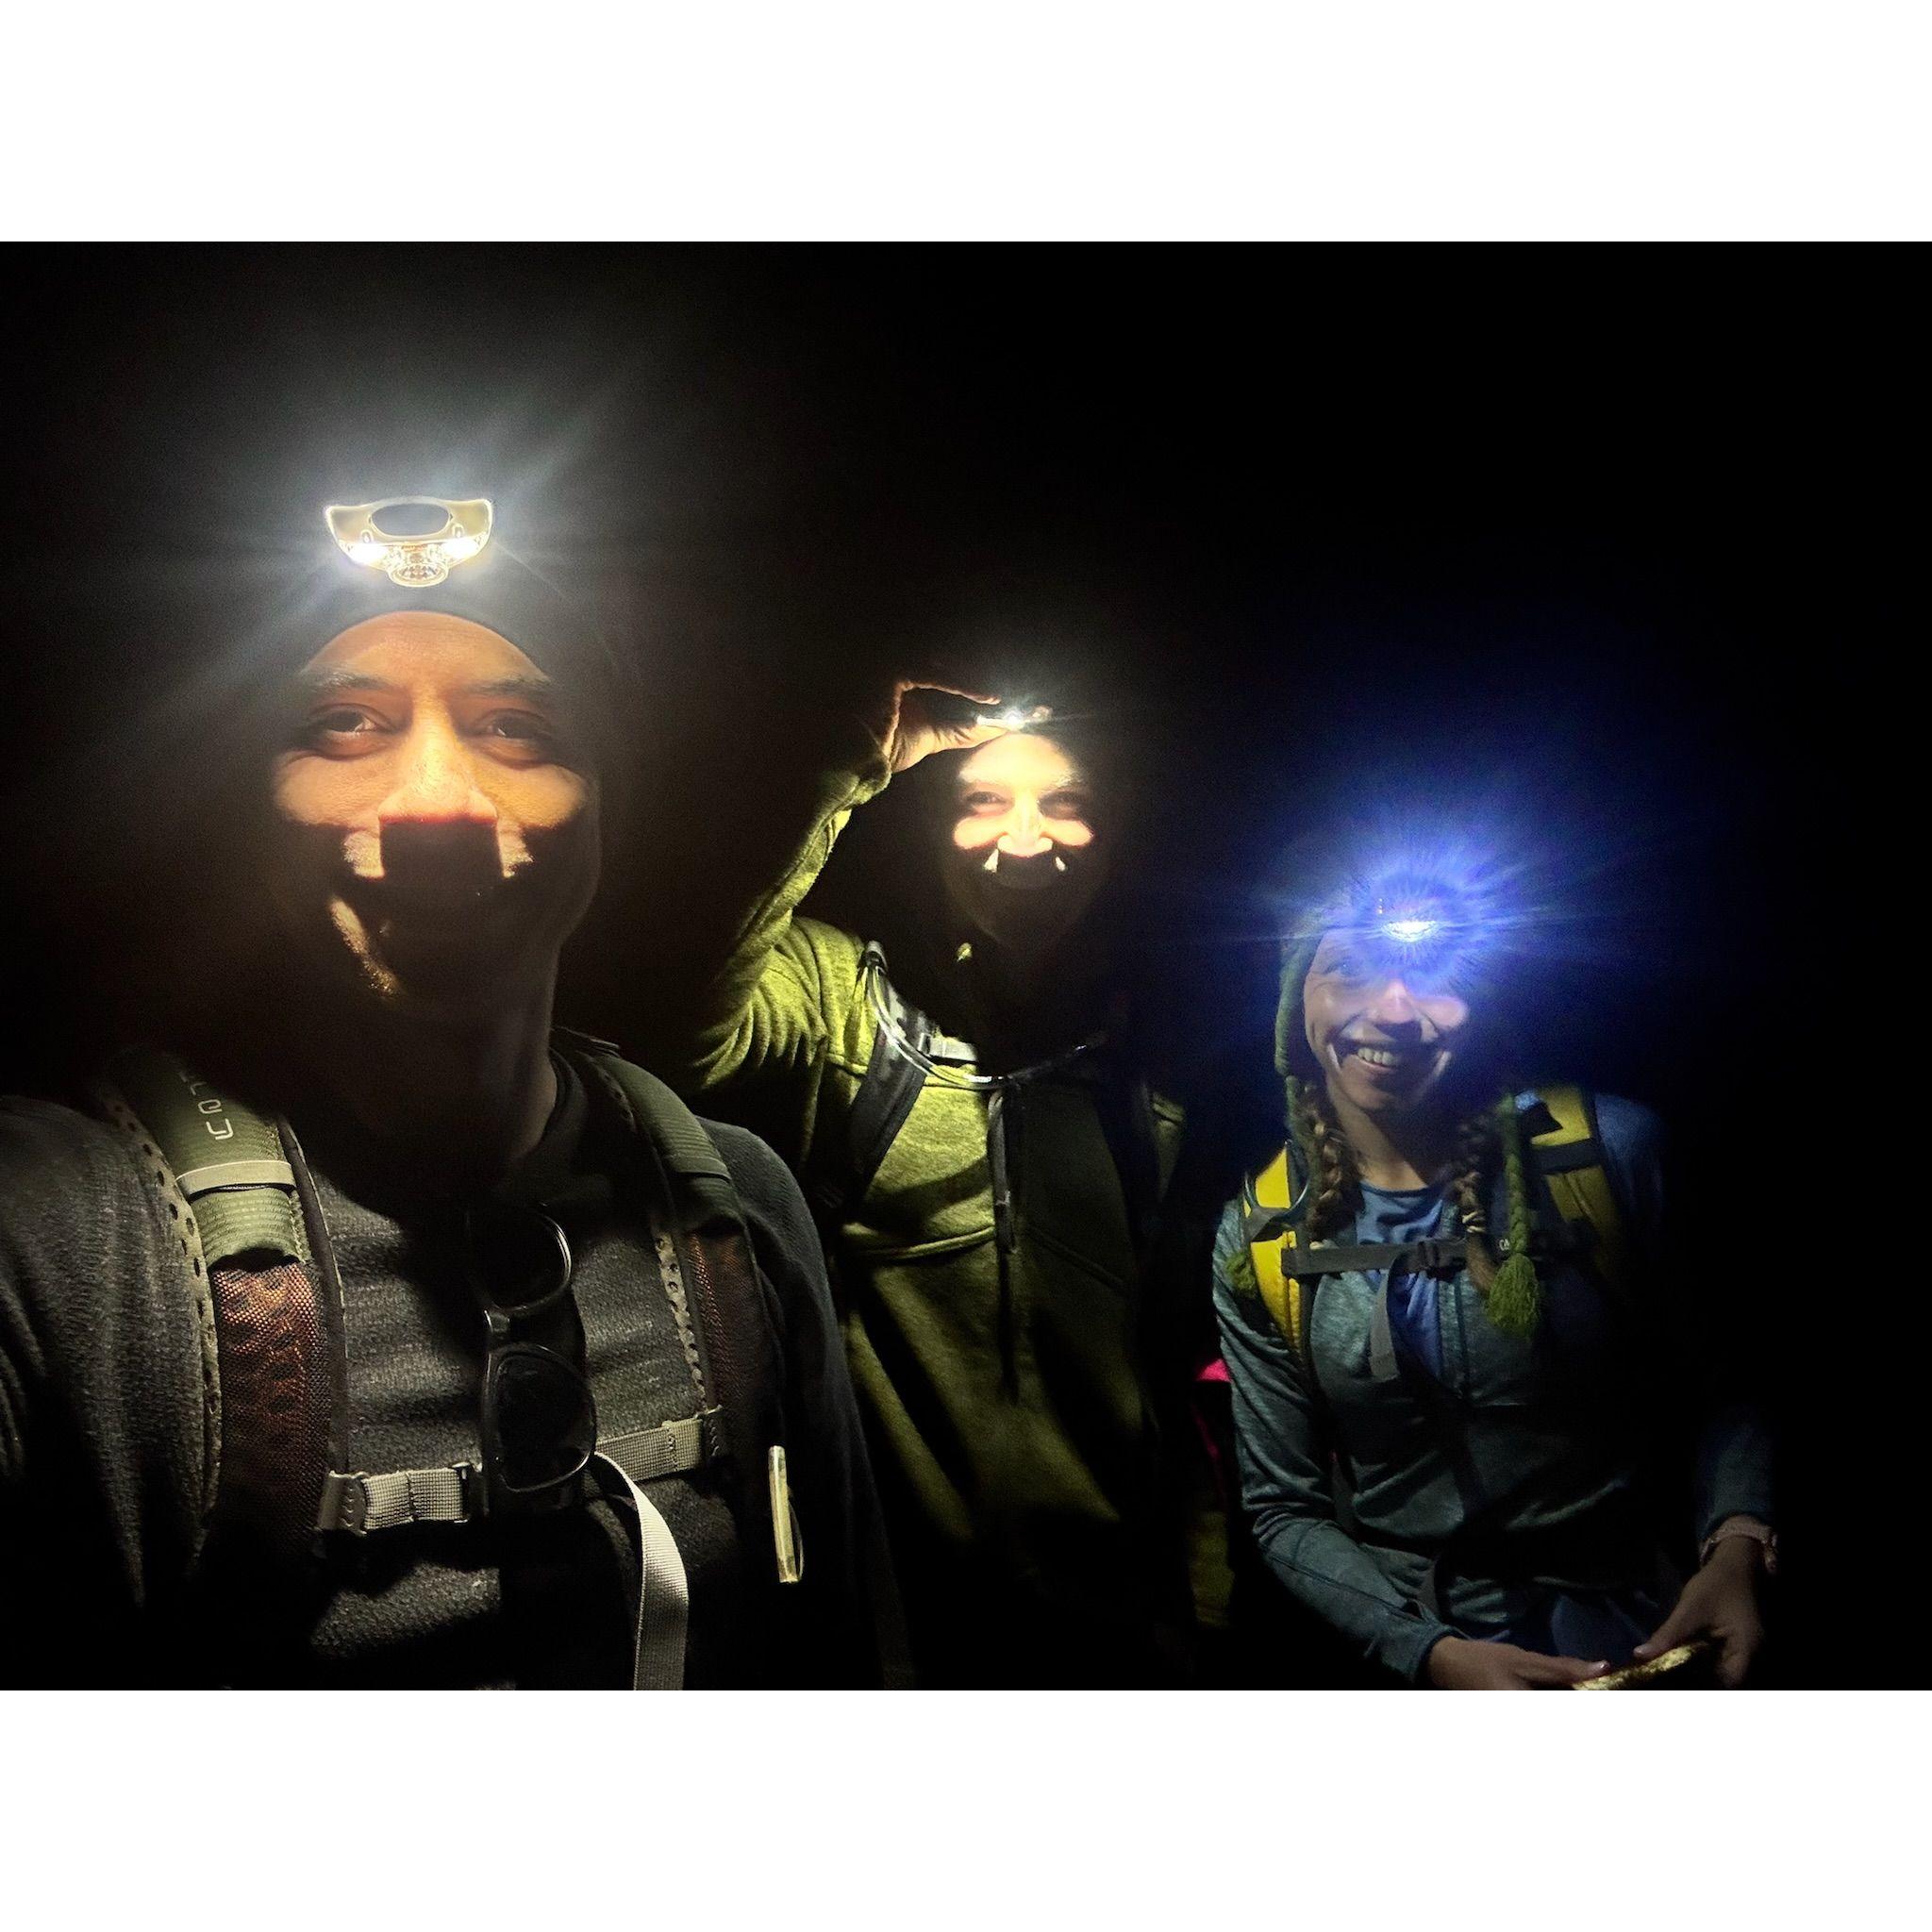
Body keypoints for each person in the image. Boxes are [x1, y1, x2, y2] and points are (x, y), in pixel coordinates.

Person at [0, 493, 887, 1689]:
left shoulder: (739, 1208)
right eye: (345, 722)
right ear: (243, 808)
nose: (436, 808)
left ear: (604, 809)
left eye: (517, 726)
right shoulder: (55, 1242)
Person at [667, 680, 1217, 1686]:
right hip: (890, 1617)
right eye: (979, 800)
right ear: (927, 826)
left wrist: (1190, 1599)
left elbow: (1188, 1344)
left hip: (1115, 1619)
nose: (1023, 839)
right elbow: (680, 1018)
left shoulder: (1160, 1050)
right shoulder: (841, 996)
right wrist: (847, 766)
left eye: (1065, 799)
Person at [1213, 855, 1776, 1688]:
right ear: (1300, 1003)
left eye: (1437, 975)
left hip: (1649, 1634)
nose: (1394, 1011)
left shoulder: (1607, 1155)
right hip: (1412, 1650)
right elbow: (1282, 1509)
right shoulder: (1259, 1234)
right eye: (1350, 972)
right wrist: (1428, 1653)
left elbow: (1727, 1386)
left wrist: (1738, 1545)